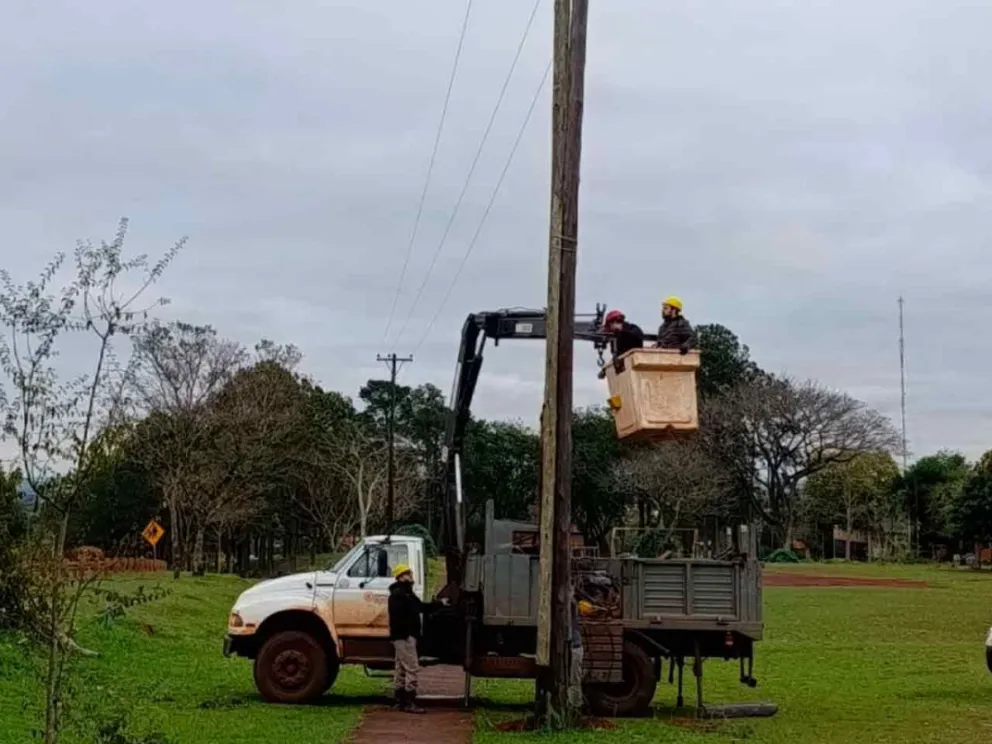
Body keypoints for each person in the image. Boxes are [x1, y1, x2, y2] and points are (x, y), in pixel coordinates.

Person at [388, 563, 446, 714]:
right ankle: (409, 701)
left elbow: (418, 607)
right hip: (405, 637)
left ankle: (399, 700)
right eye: (407, 574)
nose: (410, 576)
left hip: (400, 637)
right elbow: (420, 607)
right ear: (401, 577)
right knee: (412, 667)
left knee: (400, 668)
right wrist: (439, 604)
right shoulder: (403, 595)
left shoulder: (399, 594)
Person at [598, 309, 644, 379]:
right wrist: (604, 370)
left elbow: (637, 338)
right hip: (623, 372)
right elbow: (617, 355)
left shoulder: (633, 329)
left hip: (635, 368)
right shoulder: (614, 338)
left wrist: (622, 332)